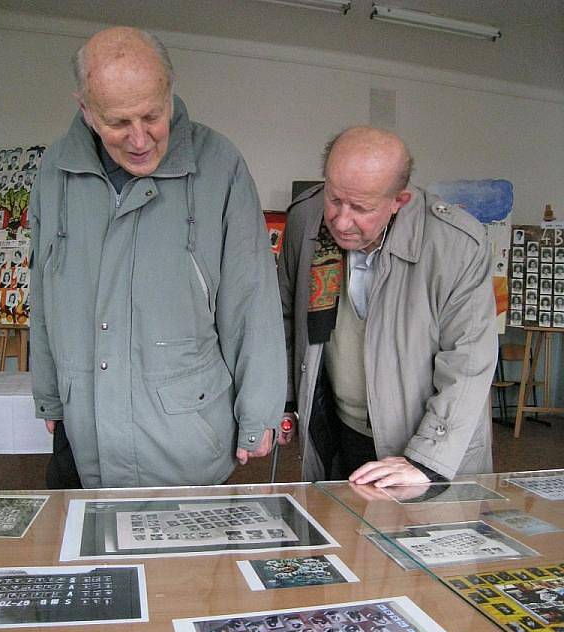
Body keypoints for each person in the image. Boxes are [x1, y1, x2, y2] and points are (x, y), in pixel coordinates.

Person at [29, 27, 286, 488]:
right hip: (83, 430)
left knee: (186, 558)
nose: (140, 138)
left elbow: (252, 300)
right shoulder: (55, 171)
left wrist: (259, 411)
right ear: (85, 108)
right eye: (118, 123)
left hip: (185, 433)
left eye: (153, 115)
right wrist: (49, 394)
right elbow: (45, 290)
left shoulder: (220, 164)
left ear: (170, 92)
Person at [277, 126, 497, 486]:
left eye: (361, 208)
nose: (341, 221)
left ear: (400, 200)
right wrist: (285, 401)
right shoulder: (306, 220)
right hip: (337, 431)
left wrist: (425, 460)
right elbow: (285, 318)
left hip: (425, 443)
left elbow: (468, 362)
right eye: (334, 199)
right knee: (343, 537)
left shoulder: (456, 245)